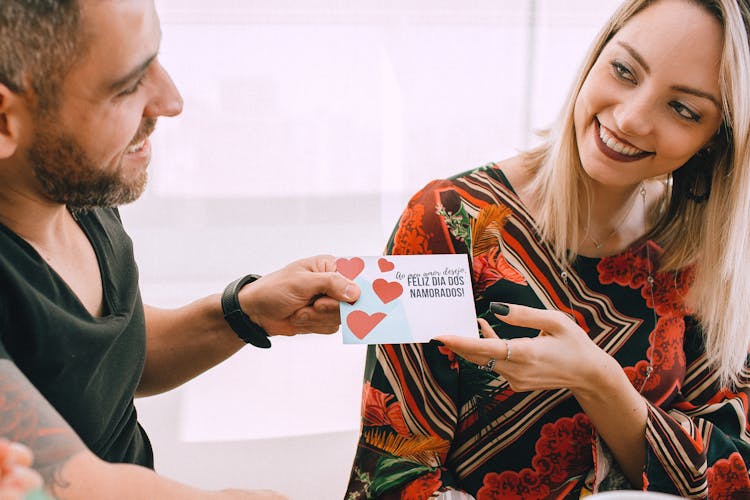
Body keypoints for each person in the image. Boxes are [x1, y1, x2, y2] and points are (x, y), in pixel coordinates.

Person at [346, 0, 750, 498]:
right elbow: (388, 475)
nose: (630, 118)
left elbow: (737, 471)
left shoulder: (702, 257)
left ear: (715, 140)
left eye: (683, 109)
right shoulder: (441, 221)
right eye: (624, 70)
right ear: (595, 56)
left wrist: (599, 381)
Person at [0, 0, 361, 499]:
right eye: (126, 86)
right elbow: (72, 483)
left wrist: (248, 311)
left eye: (155, 58)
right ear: (4, 119)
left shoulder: (78, 188)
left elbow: (110, 359)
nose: (171, 100)